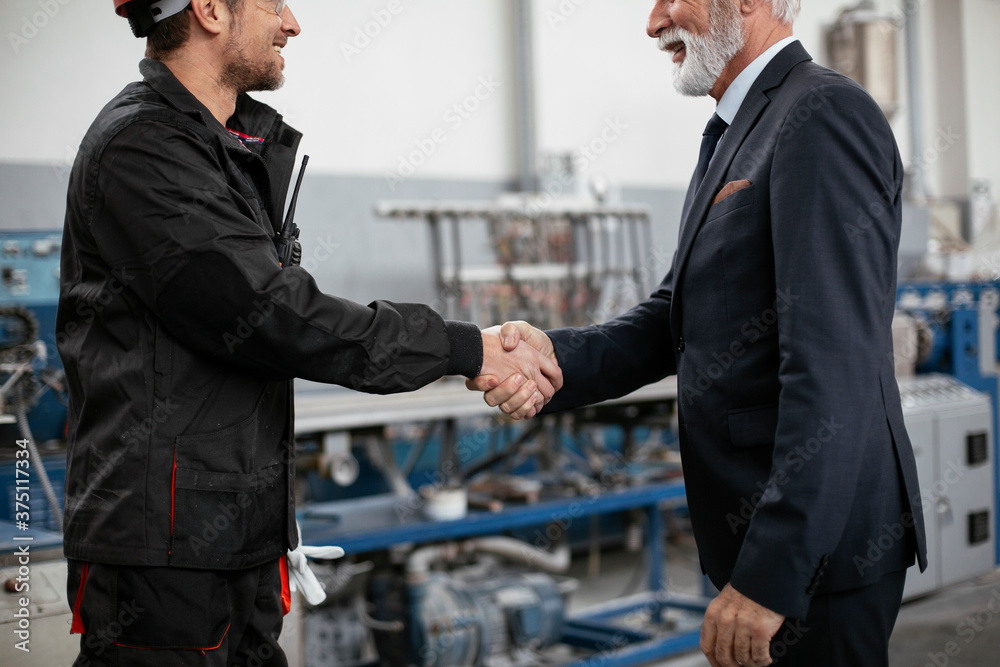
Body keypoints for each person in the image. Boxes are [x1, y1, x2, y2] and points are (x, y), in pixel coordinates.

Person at [58, 2, 560, 665]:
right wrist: (466, 346)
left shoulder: (223, 147)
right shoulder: (143, 149)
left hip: (234, 535)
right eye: (274, 3)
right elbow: (276, 314)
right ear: (209, 9)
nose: (292, 23)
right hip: (165, 558)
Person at [471, 1, 927, 665]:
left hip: (817, 556)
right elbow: (676, 316)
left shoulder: (821, 114)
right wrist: (554, 356)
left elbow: (833, 364)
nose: (654, 22)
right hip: (753, 534)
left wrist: (773, 572)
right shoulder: (737, 129)